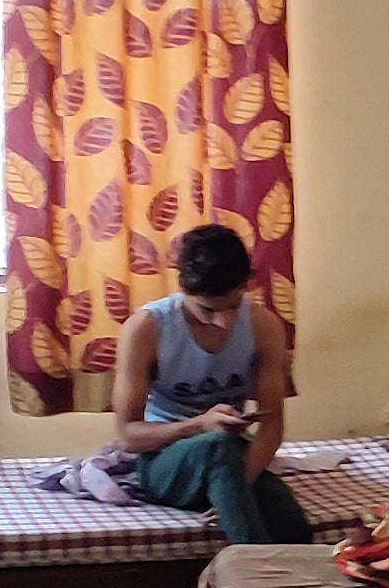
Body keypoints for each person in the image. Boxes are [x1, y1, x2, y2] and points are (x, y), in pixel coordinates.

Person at [112, 225, 305, 544]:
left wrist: (236, 490)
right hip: (165, 463)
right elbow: (129, 435)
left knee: (290, 522)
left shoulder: (263, 325)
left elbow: (272, 425)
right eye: (208, 310)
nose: (223, 322)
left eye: (233, 306)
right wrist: (199, 425)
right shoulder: (147, 328)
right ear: (184, 290)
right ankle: (254, 572)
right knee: (218, 443)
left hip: (232, 461)